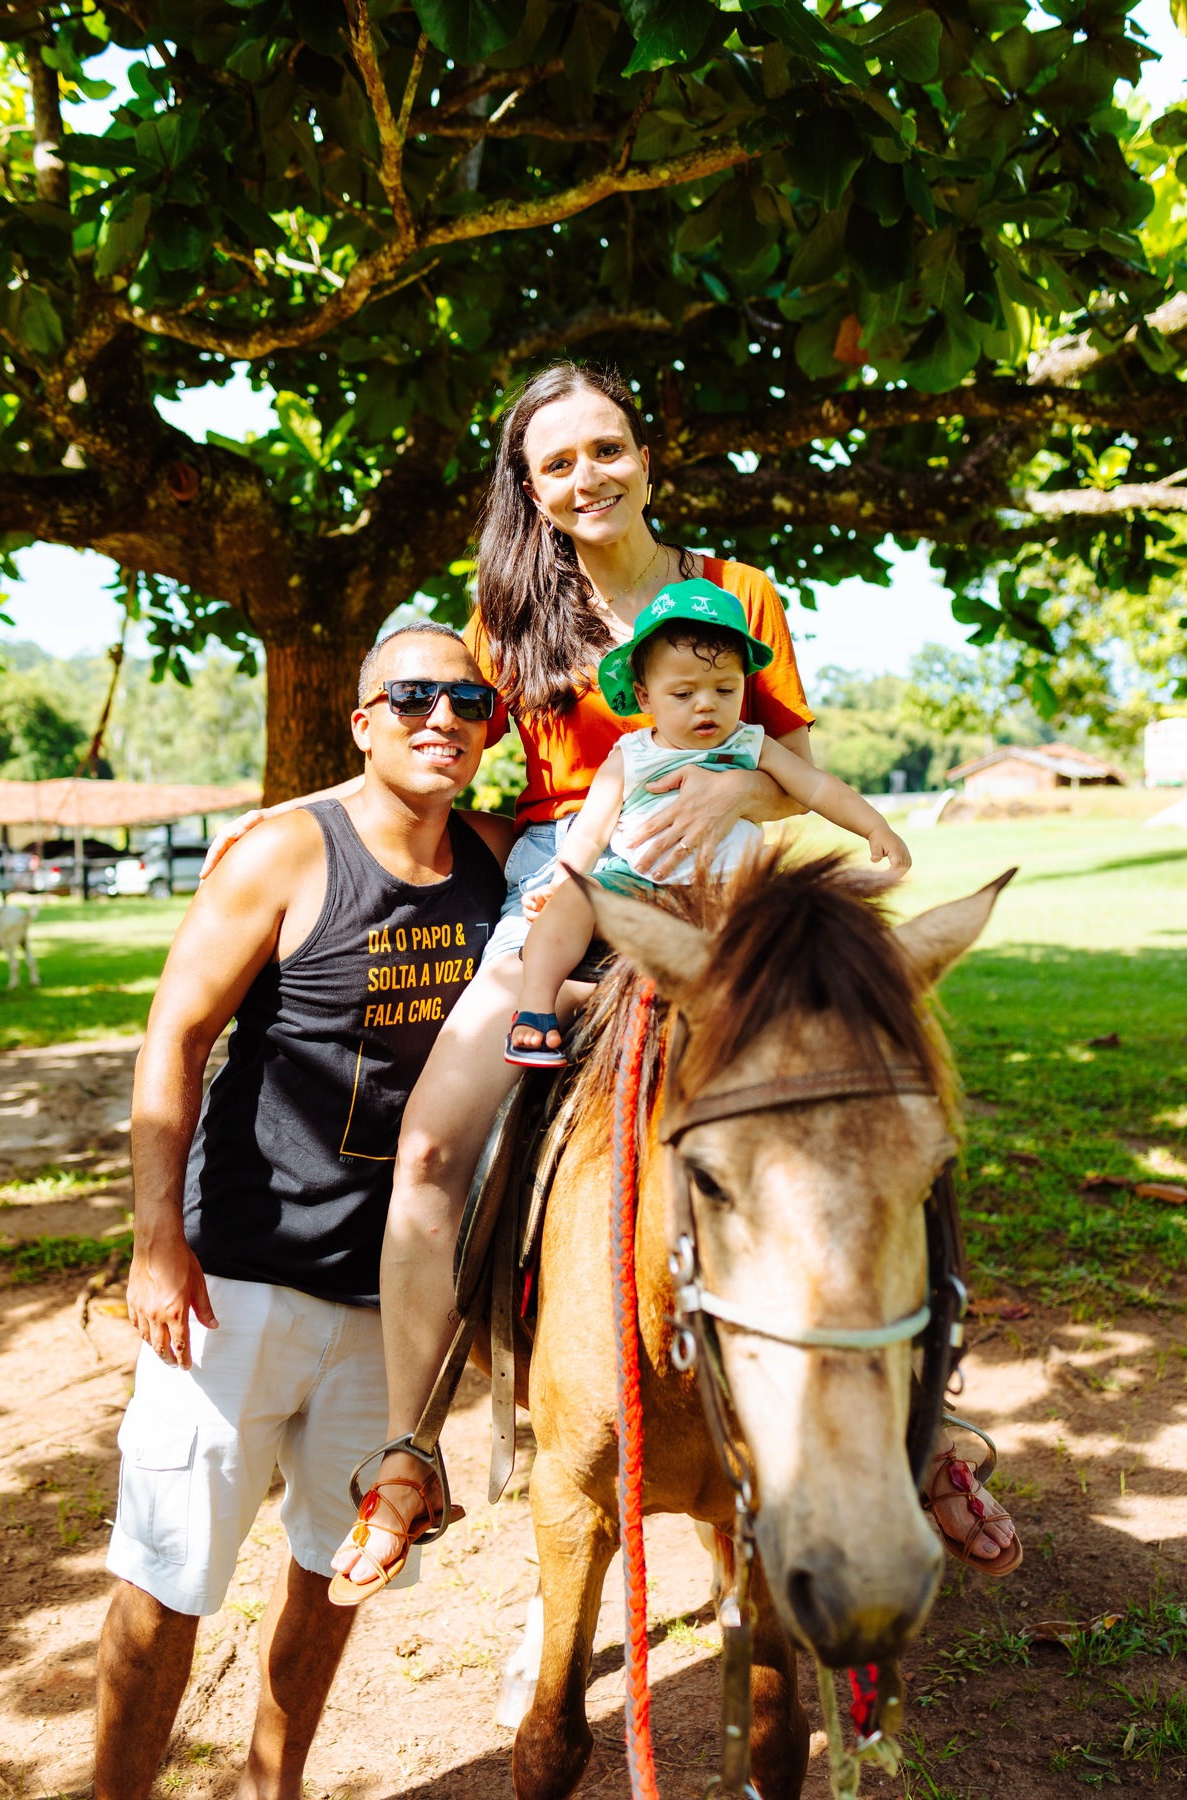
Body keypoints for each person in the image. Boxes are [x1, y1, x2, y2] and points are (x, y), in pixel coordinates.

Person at [207, 361, 1018, 1590]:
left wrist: (727, 788)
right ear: (529, 490)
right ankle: (413, 1444)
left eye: (607, 449)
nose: (587, 477)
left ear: (646, 456)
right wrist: (298, 810)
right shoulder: (504, 617)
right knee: (431, 1148)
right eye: (557, 463)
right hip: (568, 883)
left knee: (871, 1099)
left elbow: (790, 758)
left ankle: (926, 1412)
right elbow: (423, 761)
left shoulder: (738, 592)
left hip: (731, 887)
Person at [94, 624, 509, 1800]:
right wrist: (156, 1245)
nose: (443, 717)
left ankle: (276, 1788)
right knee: (166, 1581)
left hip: (391, 1305)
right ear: (363, 719)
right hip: (236, 1286)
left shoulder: (493, 859)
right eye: (412, 697)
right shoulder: (285, 853)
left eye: (467, 700)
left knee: (337, 1578)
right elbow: (175, 1039)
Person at [506, 578, 911, 1065]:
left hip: (736, 897)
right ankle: (534, 1008)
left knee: (811, 925)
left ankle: (840, 1039)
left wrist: (874, 826)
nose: (706, 704)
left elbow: (817, 787)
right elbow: (591, 830)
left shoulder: (749, 743)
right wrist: (561, 878)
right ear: (645, 696)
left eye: (725, 689)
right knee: (572, 901)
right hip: (640, 887)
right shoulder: (631, 754)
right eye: (682, 693)